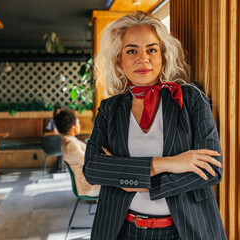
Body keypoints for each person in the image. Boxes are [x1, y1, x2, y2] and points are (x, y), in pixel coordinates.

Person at [83, 11, 226, 240]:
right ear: (120, 60)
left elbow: (211, 170)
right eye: (132, 50)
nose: (143, 58)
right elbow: (92, 167)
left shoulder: (191, 98)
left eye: (151, 49)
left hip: (186, 230)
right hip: (122, 229)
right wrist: (172, 163)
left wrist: (141, 181)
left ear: (163, 56)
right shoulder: (109, 108)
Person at [54, 108, 100, 197]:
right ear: (73, 126)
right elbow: (90, 163)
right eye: (78, 123)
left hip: (90, 182)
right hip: (90, 187)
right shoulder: (71, 145)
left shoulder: (68, 141)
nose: (79, 125)